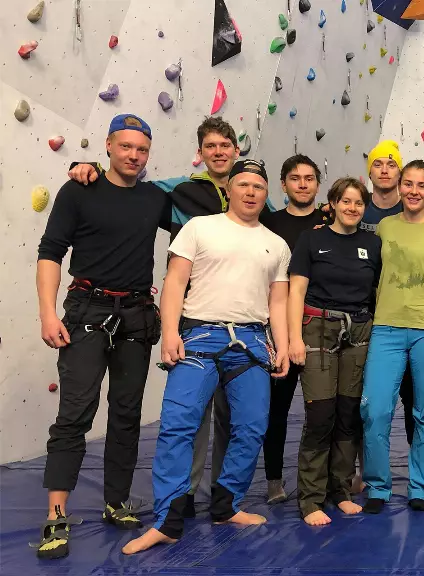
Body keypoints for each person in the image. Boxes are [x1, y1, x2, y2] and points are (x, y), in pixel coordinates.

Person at [65, 117, 249, 515]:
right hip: (194, 313)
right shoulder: (175, 191)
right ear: (200, 152)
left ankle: (225, 497)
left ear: (237, 150)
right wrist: (87, 168)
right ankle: (183, 494)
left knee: (235, 414)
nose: (219, 152)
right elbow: (124, 187)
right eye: (211, 146)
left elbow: (283, 228)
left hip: (241, 314)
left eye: (225, 145)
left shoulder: (254, 193)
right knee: (191, 412)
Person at [122, 159, 291, 555]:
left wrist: (282, 345)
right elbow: (175, 281)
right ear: (229, 189)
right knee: (178, 426)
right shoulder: (199, 228)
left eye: (258, 187)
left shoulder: (277, 244)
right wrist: (169, 332)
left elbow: (278, 302)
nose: (250, 192)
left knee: (252, 427)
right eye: (243, 184)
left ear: (266, 194)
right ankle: (167, 521)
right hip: (200, 336)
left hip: (251, 342)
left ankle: (226, 504)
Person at [34, 114, 170, 560]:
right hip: (87, 311)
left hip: (136, 315)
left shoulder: (155, 198)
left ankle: (116, 501)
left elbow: (205, 212)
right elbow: (51, 252)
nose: (134, 155)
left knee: (127, 414)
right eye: (126, 146)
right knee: (75, 413)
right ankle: (56, 513)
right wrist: (47, 313)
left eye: (142, 149)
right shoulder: (78, 190)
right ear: (108, 145)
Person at [361, 161, 424, 514]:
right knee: (375, 410)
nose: (414, 191)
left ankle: (420, 487)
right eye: (409, 184)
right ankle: (377, 486)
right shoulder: (385, 227)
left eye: (422, 185)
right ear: (400, 186)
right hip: (386, 328)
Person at [287, 177, 381, 525]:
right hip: (318, 331)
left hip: (359, 332)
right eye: (346, 201)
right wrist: (295, 338)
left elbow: (377, 292)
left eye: (358, 203)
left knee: (348, 414)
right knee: (320, 414)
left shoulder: (372, 244)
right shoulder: (312, 239)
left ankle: (340, 491)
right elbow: (296, 291)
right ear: (333, 204)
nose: (352, 208)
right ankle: (311, 499)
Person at [259, 154, 329, 504]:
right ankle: (274, 479)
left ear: (318, 184)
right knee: (277, 408)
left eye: (309, 178)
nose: (303, 184)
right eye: (295, 178)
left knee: (326, 409)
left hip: (321, 327)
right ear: (283, 185)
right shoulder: (267, 223)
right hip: (277, 328)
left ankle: (328, 477)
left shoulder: (330, 221)